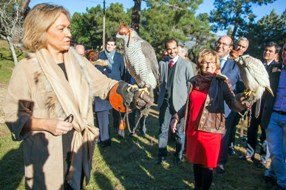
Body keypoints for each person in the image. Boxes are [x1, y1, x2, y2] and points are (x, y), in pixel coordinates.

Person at [3, 4, 152, 190]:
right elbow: (12, 114)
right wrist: (46, 124)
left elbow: (104, 85)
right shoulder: (26, 68)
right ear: (42, 31)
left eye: (69, 27)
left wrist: (126, 91)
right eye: (61, 28)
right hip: (46, 154)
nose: (68, 34)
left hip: (77, 149)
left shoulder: (77, 61)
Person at [170, 49, 252, 190]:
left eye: (212, 62)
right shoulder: (194, 81)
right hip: (193, 129)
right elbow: (189, 104)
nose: (209, 65)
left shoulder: (221, 82)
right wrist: (177, 116)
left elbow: (232, 103)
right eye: (205, 62)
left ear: (217, 65)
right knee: (196, 162)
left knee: (207, 165)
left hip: (211, 130)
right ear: (200, 64)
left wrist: (243, 100)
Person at [241, 41, 280, 166]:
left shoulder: (277, 68)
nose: (267, 52)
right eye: (266, 50)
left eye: (270, 51)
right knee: (251, 128)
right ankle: (249, 152)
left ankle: (263, 158)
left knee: (265, 131)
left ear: (276, 54)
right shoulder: (257, 64)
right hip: (256, 100)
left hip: (268, 103)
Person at [156, 38, 194, 165]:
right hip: (165, 102)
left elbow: (191, 85)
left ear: (177, 48)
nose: (172, 51)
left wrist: (187, 104)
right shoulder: (162, 64)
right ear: (166, 50)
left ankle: (178, 156)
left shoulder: (186, 64)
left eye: (174, 48)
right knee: (163, 129)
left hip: (180, 104)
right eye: (169, 49)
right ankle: (161, 154)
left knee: (179, 131)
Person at [215, 35, 242, 173]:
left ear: (230, 48)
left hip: (227, 107)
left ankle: (220, 162)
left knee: (223, 135)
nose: (220, 46)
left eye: (224, 44)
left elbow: (241, 86)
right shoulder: (209, 60)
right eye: (219, 43)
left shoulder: (236, 65)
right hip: (209, 105)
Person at [262, 42, 285, 190]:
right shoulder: (274, 70)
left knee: (282, 152)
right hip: (272, 116)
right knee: (276, 151)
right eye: (284, 50)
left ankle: (271, 172)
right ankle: (283, 182)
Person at [98, 37, 125, 134]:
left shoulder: (119, 57)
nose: (110, 46)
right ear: (106, 45)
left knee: (117, 109)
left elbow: (122, 71)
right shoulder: (100, 55)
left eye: (112, 45)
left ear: (115, 46)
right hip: (103, 86)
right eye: (108, 44)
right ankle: (105, 130)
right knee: (103, 110)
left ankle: (118, 127)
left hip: (116, 85)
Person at [227, 37, 249, 156]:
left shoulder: (246, 62)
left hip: (238, 97)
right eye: (239, 45)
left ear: (246, 49)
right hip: (226, 96)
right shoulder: (228, 58)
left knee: (232, 123)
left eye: (243, 47)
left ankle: (230, 145)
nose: (240, 48)